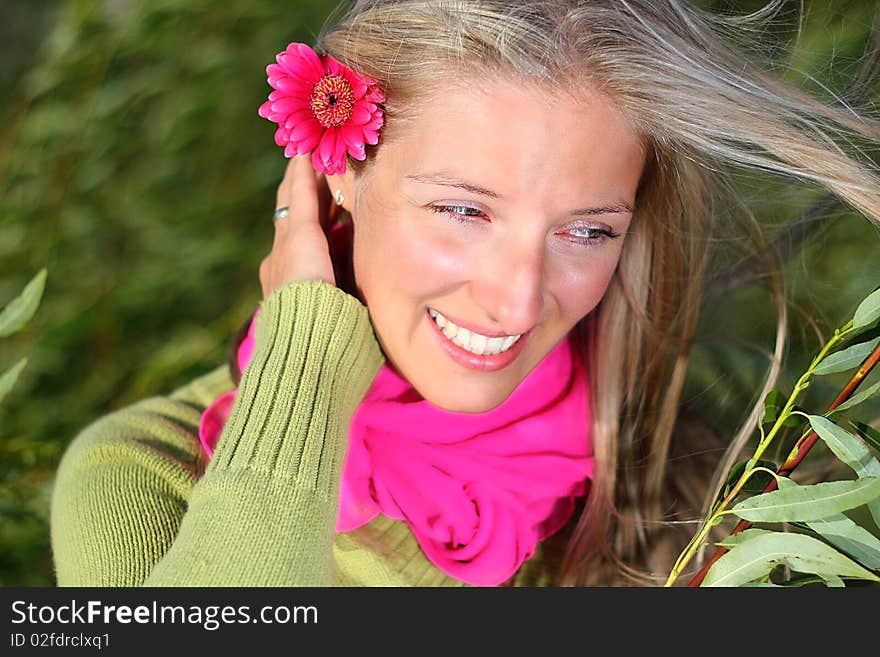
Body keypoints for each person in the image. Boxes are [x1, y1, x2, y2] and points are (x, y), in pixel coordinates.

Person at [50, 0, 880, 587]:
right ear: (333, 174)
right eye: (462, 209)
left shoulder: (727, 429)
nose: (518, 304)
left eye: (586, 231)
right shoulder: (145, 475)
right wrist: (302, 355)